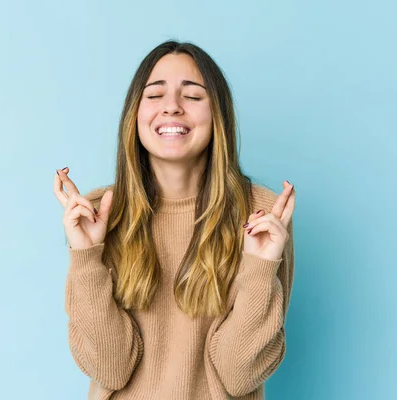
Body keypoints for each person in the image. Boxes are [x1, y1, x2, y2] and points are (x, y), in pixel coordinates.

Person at [53, 40, 296, 400]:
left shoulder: (261, 214)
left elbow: (239, 375)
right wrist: (87, 257)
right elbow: (110, 369)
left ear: (218, 115)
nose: (171, 107)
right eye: (154, 95)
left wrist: (260, 268)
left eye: (193, 96)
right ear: (134, 113)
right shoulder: (98, 213)